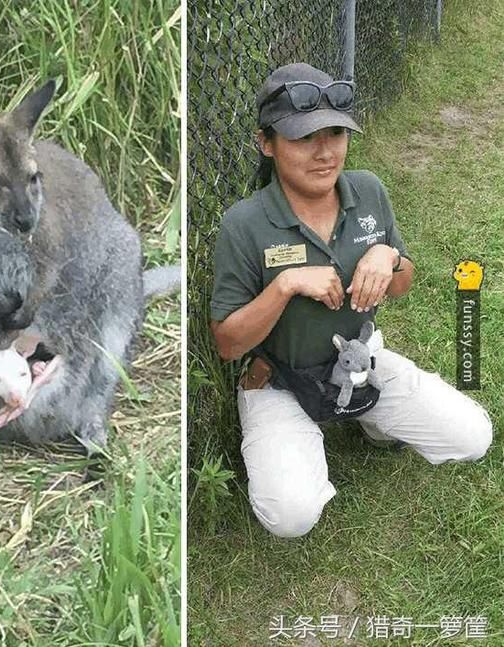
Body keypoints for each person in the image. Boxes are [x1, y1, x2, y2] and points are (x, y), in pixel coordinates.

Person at [209, 63, 492, 539]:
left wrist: (389, 256)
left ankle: (371, 417)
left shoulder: (368, 191)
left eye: (336, 133)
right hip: (278, 378)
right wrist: (284, 286)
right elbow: (228, 345)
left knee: (473, 438)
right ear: (266, 143)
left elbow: (402, 284)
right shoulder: (245, 224)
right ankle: (301, 435)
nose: (324, 152)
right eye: (303, 138)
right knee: (291, 516)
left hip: (362, 359)